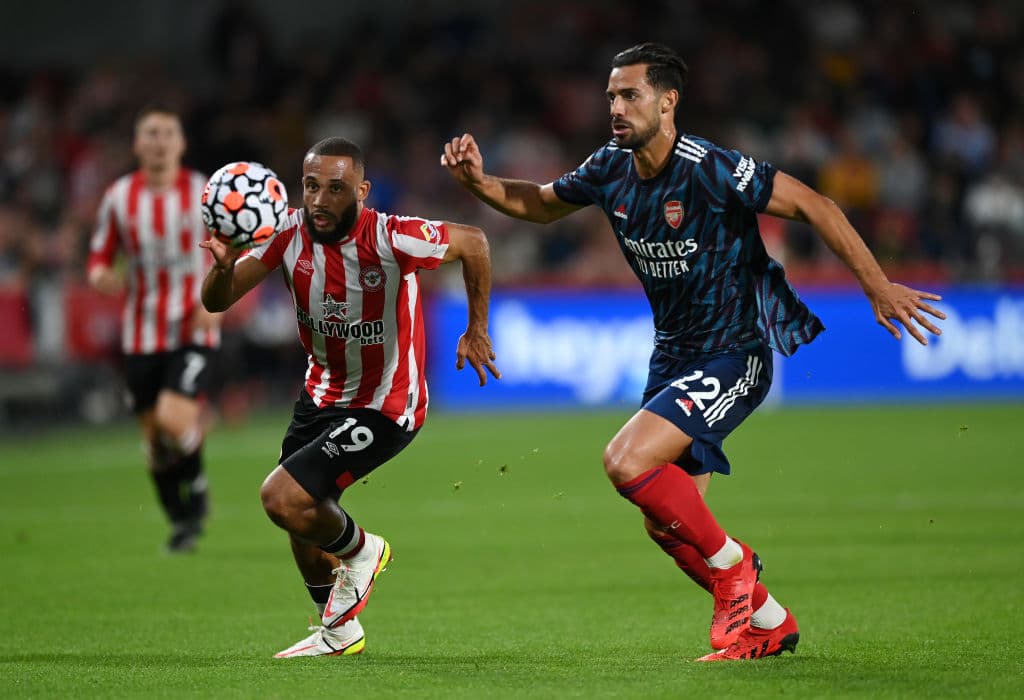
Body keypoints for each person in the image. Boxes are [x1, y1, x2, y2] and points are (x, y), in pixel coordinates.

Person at [441, 42, 945, 661]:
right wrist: (480, 183)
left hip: (735, 353)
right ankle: (769, 619)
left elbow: (815, 204)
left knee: (624, 461)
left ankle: (736, 570)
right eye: (610, 97)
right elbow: (542, 205)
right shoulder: (609, 167)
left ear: (667, 100)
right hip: (673, 358)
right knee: (666, 521)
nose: (616, 108)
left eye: (630, 95)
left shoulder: (709, 167)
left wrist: (876, 285)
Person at [200, 136, 499, 658]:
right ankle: (338, 633)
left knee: (281, 498)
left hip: (386, 404)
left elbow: (473, 241)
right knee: (300, 521)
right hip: (319, 397)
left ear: (361, 191)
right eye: (311, 186)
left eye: (335, 188)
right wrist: (224, 265)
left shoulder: (390, 237)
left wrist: (476, 328)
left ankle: (364, 551)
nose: (319, 199)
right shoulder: (287, 233)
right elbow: (216, 300)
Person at [88, 104, 220, 553]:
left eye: (168, 132)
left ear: (181, 143)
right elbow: (98, 257)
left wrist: (219, 303)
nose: (160, 140)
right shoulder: (119, 197)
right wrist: (100, 276)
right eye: (151, 133)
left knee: (171, 418)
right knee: (154, 440)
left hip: (194, 324)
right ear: (137, 144)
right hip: (142, 330)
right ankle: (181, 522)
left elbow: (235, 245)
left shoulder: (205, 191)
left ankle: (198, 483)